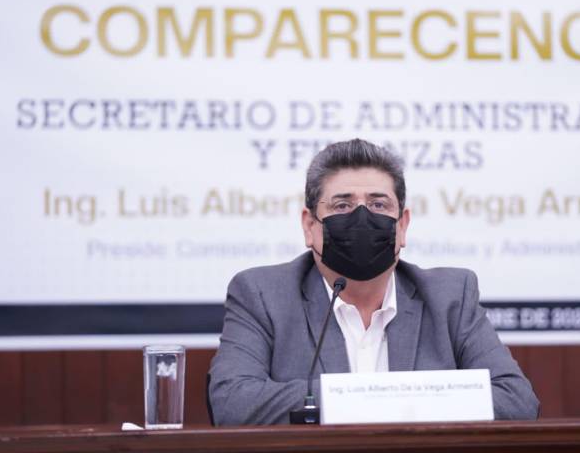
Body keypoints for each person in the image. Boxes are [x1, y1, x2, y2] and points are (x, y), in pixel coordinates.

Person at [209, 139, 539, 425]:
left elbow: (516, 400)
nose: (362, 217)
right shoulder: (263, 295)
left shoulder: (451, 296)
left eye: (379, 204)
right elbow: (233, 403)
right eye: (342, 205)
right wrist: (380, 398)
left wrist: (367, 400)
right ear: (310, 226)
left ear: (402, 225)